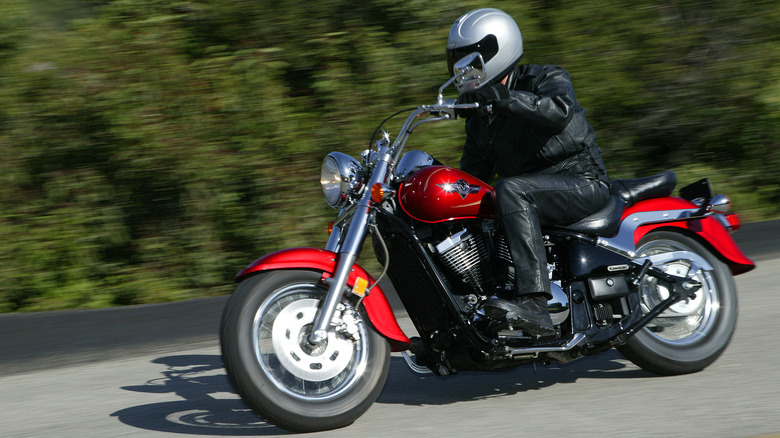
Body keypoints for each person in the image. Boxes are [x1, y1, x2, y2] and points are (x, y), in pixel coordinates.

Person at [447, 8, 610, 336]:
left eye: (470, 58)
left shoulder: (546, 77)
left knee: (509, 189)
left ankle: (535, 304)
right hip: (532, 190)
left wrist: (504, 99)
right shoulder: (482, 115)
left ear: (498, 49)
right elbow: (474, 174)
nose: (462, 68)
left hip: (581, 180)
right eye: (457, 59)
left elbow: (558, 112)